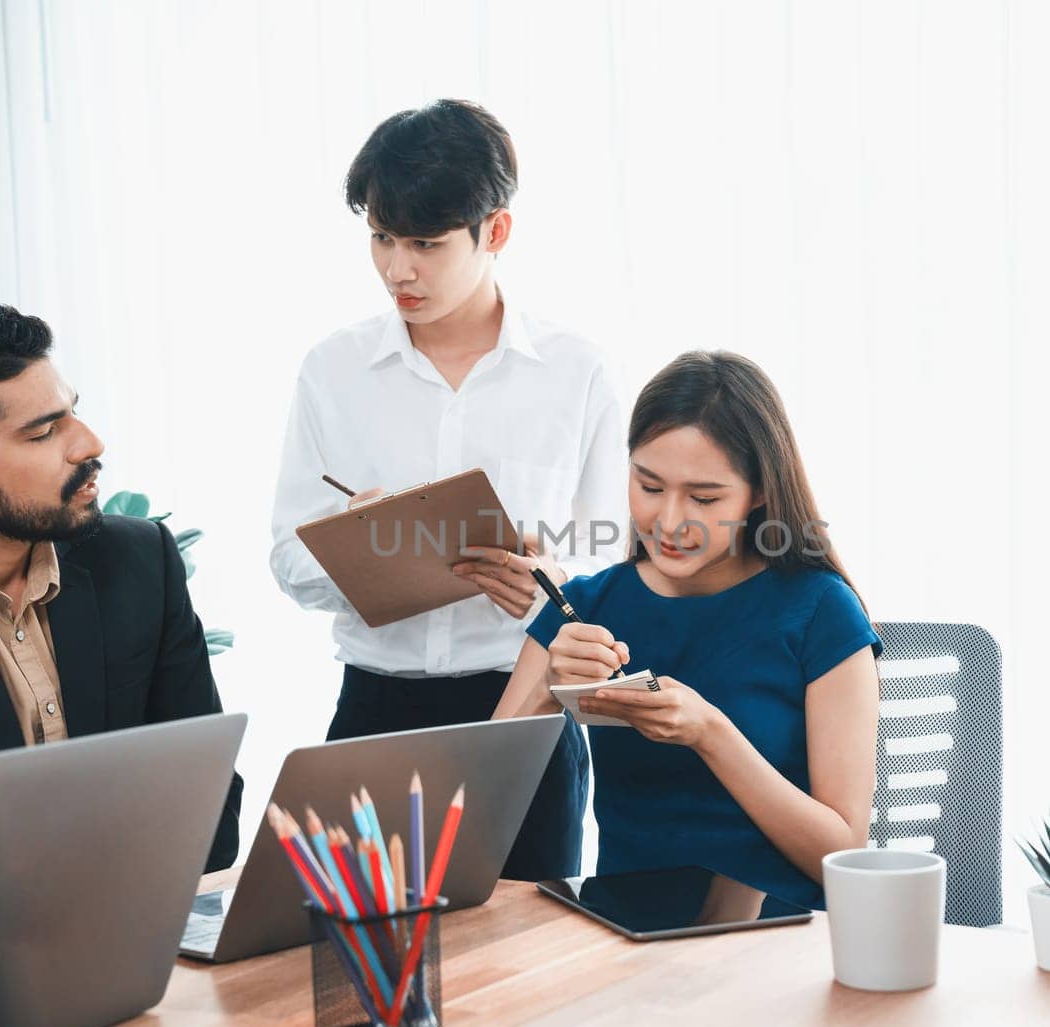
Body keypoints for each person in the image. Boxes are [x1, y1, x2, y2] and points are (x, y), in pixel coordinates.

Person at [269, 100, 628, 880]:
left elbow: (618, 558)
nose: (399, 268)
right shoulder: (333, 370)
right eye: (381, 237)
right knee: (359, 969)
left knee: (529, 973)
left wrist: (550, 576)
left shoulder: (577, 373)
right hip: (374, 715)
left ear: (494, 231)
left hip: (526, 709)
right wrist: (356, 545)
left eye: (426, 244)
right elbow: (286, 560)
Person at [0, 297, 242, 872]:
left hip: (143, 925)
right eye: (43, 433)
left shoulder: (140, 562)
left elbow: (213, 816)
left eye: (73, 413)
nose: (89, 444)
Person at [492, 351, 881, 908]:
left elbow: (841, 856)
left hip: (781, 948)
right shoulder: (582, 607)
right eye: (649, 486)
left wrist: (710, 734)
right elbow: (472, 822)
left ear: (761, 492)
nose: (669, 522)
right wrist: (544, 693)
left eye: (703, 498)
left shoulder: (821, 611)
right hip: (628, 942)